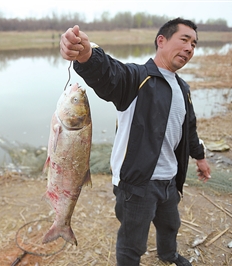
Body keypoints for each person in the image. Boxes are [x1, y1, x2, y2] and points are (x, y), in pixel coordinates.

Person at [59, 18, 211, 266]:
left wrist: (200, 157)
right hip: (137, 184)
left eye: (194, 44)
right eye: (184, 40)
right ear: (161, 41)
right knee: (132, 243)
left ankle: (168, 255)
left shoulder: (183, 88)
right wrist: (87, 54)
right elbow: (108, 73)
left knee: (171, 225)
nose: (189, 48)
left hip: (170, 179)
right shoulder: (136, 78)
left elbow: (189, 128)